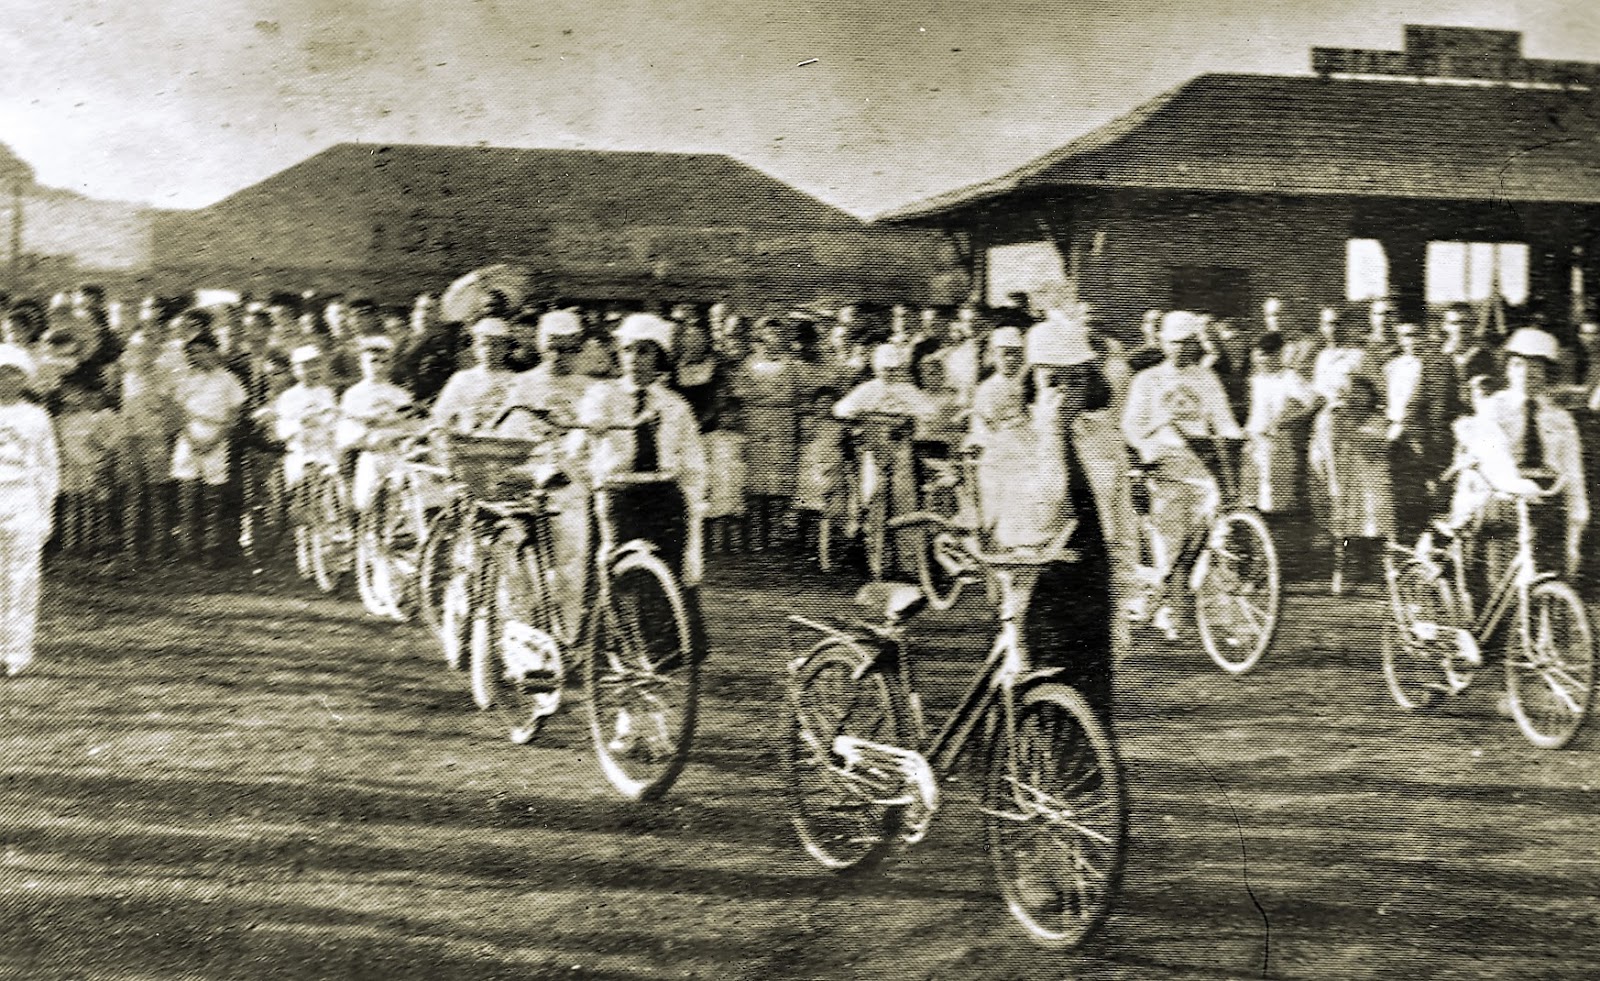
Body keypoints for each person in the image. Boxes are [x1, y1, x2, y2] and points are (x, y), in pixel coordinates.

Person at [576, 312, 709, 668]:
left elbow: (693, 464)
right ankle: (617, 647)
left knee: (671, 570)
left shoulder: (674, 405)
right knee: (617, 567)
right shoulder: (602, 395)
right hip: (619, 493)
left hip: (663, 494)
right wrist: (594, 431)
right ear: (619, 354)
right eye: (629, 350)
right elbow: (584, 434)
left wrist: (694, 508)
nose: (636, 359)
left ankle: (665, 650)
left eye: (646, 352)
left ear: (660, 358)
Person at [1121, 311, 1243, 634]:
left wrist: (1239, 438)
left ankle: (1223, 616)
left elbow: (1224, 420)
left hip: (1201, 464)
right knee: (1170, 541)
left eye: (1186, 344)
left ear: (1195, 345)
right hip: (1163, 465)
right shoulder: (1146, 380)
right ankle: (1168, 611)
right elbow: (1131, 427)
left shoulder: (1206, 378)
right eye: (1174, 343)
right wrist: (1145, 454)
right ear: (1162, 343)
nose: (1180, 350)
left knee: (1218, 536)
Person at [1449, 328, 1587, 581]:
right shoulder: (1494, 408)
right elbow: (1496, 457)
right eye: (1518, 365)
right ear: (1508, 369)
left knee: (1552, 577)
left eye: (1536, 367)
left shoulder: (1560, 418)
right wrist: (1519, 485)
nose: (1525, 373)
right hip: (1498, 499)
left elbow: (1573, 474)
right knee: (1500, 581)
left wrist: (1576, 524)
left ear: (1547, 373)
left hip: (1545, 502)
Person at [0, 345, 56, 676]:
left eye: (15, 373)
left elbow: (47, 468)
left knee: (21, 578)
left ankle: (15, 651)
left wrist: (43, 512)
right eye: (2, 372)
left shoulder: (36, 417)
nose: (7, 379)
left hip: (21, 502)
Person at [170, 327, 249, 564]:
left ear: (214, 352)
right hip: (190, 435)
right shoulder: (187, 379)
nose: (197, 357)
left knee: (212, 496)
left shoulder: (228, 379)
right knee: (187, 493)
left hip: (217, 436)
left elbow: (235, 415)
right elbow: (179, 412)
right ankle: (187, 547)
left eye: (203, 351)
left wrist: (215, 440)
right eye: (192, 353)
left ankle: (211, 547)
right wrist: (191, 438)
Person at [1241, 332, 1315, 517]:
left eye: (1266, 355)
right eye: (1258, 355)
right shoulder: (1256, 380)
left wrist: (1287, 422)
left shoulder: (1289, 378)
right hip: (1253, 442)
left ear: (1277, 354)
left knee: (1273, 500)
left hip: (1276, 445)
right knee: (1249, 496)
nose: (1260, 360)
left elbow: (1316, 402)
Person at [430, 317, 518, 435]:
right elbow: (441, 414)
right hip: (467, 438)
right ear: (475, 347)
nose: (489, 350)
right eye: (484, 344)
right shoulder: (462, 378)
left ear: (506, 349)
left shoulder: (515, 380)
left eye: (496, 345)